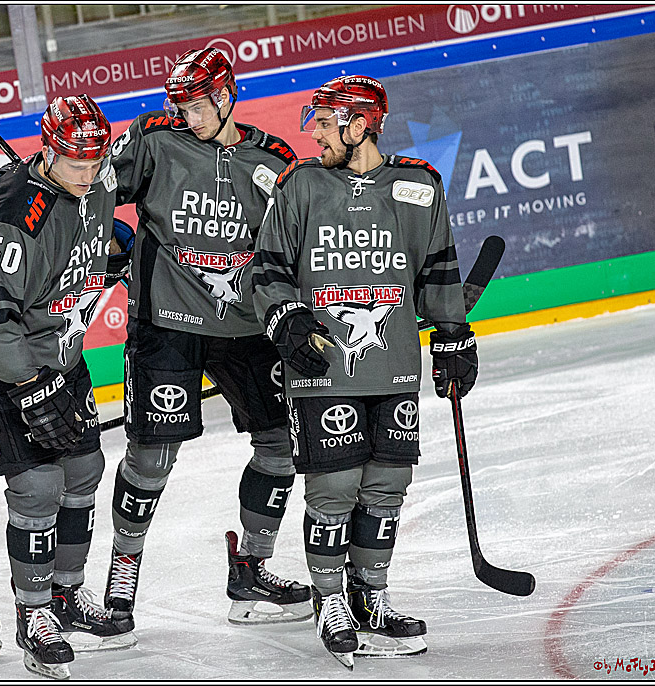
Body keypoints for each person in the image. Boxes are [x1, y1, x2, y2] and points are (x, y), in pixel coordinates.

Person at [251, 75, 478, 666]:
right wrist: (287, 321)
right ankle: (331, 602)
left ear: (360, 125)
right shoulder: (299, 186)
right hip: (324, 369)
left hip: (394, 366)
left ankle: (370, 597)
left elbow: (436, 273)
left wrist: (452, 336)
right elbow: (267, 271)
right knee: (333, 490)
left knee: (386, 489)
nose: (314, 134)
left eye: (325, 123)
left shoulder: (419, 186)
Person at [103, 47, 313, 628]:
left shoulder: (273, 158)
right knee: (150, 457)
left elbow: (296, 243)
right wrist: (106, 239)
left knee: (280, 443)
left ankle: (251, 568)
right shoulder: (153, 138)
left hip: (248, 324)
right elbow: (92, 193)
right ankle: (122, 576)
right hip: (166, 321)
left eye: (197, 104)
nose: (188, 115)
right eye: (181, 104)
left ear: (227, 96)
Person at [0, 94, 134, 680]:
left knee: (83, 475)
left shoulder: (97, 181)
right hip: (3, 366)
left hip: (62, 357)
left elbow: (81, 249)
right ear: (49, 151)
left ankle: (66, 595)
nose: (88, 172)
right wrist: (29, 387)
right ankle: (34, 616)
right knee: (36, 487)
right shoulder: (15, 211)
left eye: (95, 160)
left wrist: (113, 252)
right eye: (75, 162)